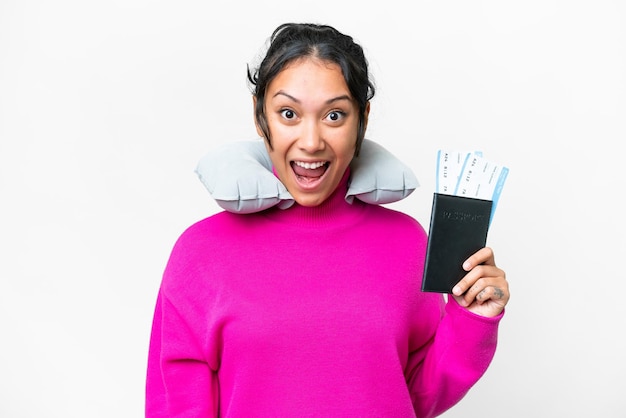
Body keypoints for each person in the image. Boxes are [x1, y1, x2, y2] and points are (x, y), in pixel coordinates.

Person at [146, 22, 510, 417]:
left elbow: (416, 397)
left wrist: (472, 319)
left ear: (362, 119)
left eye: (334, 115)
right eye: (288, 113)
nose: (311, 141)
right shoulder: (201, 252)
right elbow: (174, 405)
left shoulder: (407, 242)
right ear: (260, 117)